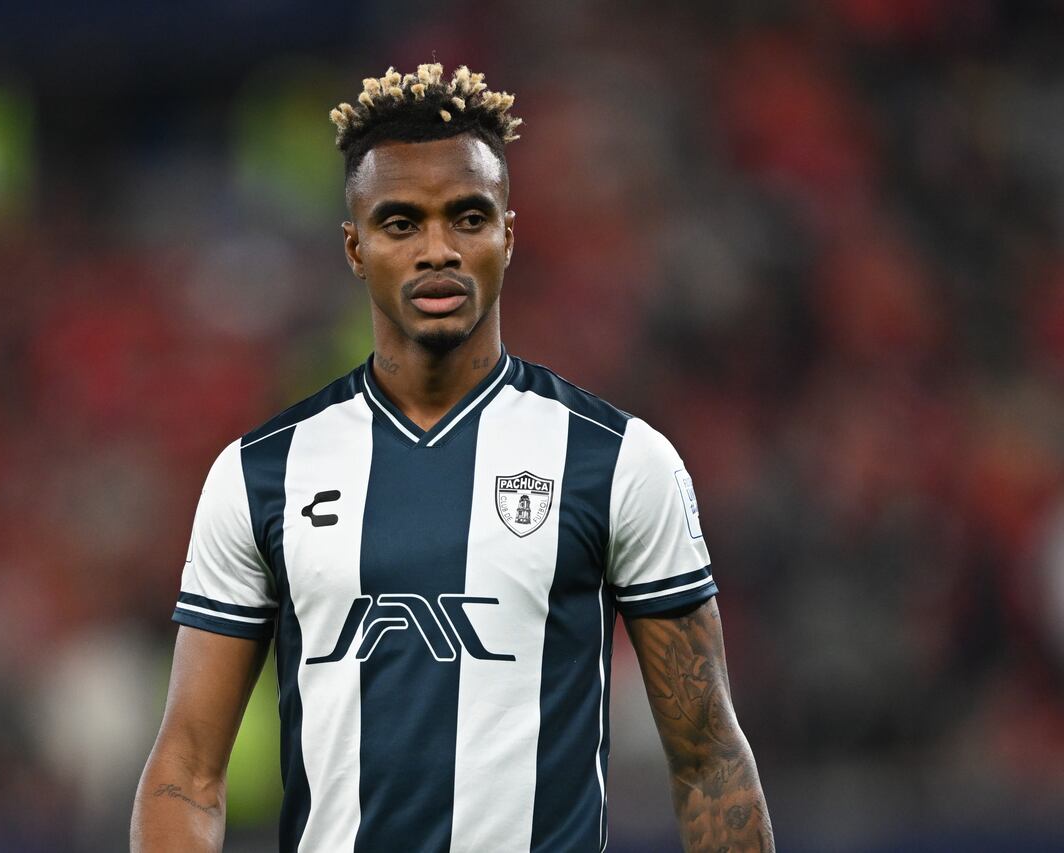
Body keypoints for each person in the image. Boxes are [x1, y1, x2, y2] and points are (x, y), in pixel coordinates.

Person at [131, 62, 773, 852]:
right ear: (355, 246)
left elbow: (708, 761)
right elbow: (186, 770)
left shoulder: (617, 462)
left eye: (468, 218)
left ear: (508, 231)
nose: (438, 249)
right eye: (401, 223)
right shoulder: (260, 473)